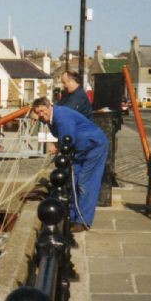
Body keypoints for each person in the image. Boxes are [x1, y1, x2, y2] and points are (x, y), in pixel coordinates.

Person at [31, 96, 108, 232]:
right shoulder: (50, 118)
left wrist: (58, 146)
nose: (41, 115)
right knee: (74, 180)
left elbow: (68, 139)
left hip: (93, 146)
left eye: (42, 111)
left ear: (49, 106)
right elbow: (65, 138)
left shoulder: (61, 116)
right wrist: (57, 144)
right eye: (38, 113)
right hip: (81, 149)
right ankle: (72, 216)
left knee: (85, 182)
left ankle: (83, 221)